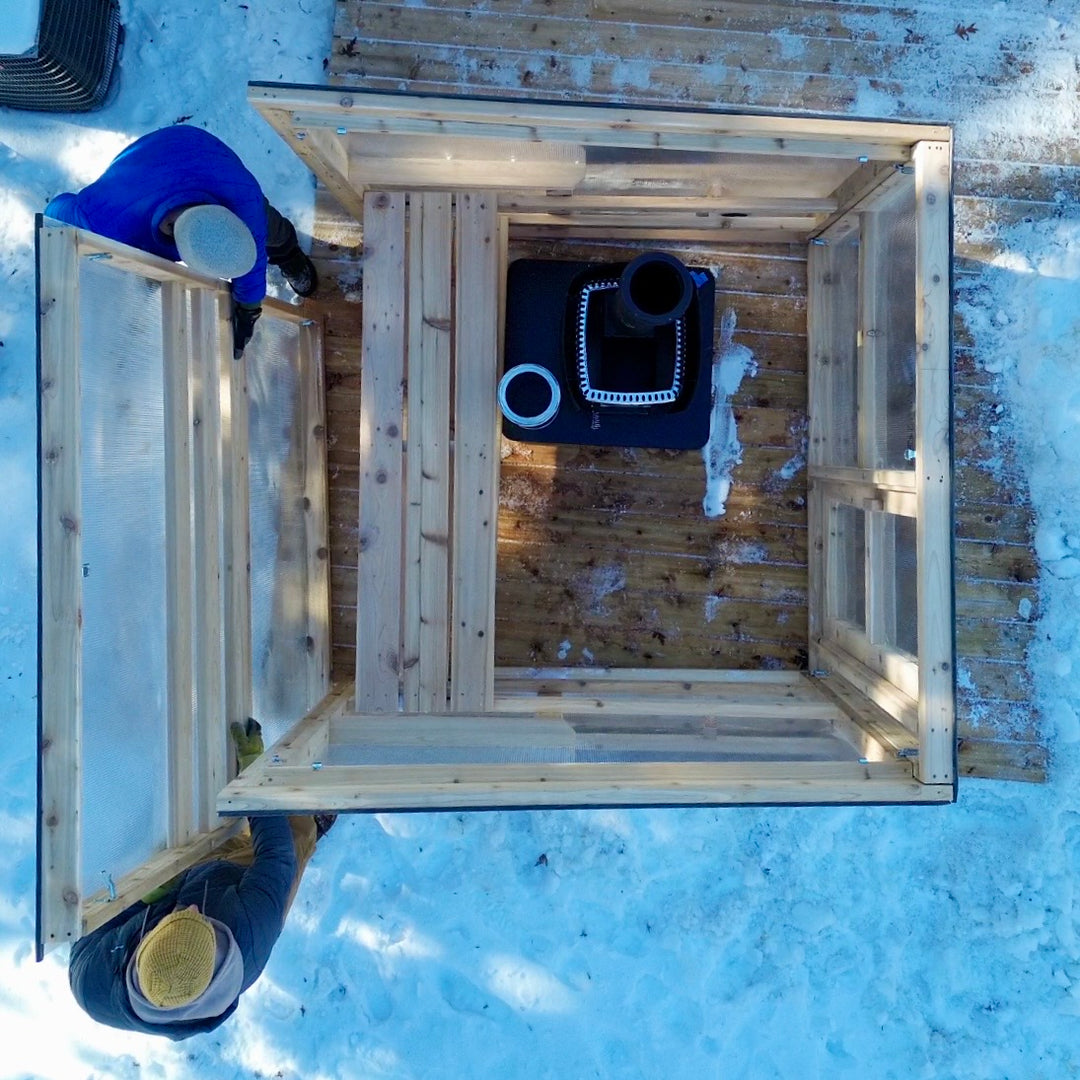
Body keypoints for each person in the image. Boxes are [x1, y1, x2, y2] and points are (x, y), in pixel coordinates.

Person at [68, 720, 336, 1039]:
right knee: (292, 837)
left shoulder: (91, 986)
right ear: (215, 951)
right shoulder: (251, 928)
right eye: (200, 924)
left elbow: (86, 932)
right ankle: (311, 825)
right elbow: (275, 855)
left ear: (143, 949)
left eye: (175, 921)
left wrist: (145, 899)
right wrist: (255, 777)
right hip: (237, 892)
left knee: (215, 838)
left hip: (189, 884)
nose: (192, 909)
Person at [44, 124, 319, 359]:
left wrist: (249, 306)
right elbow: (57, 212)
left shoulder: (242, 196)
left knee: (271, 228)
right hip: (147, 165)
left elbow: (254, 251)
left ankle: (289, 255)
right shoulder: (105, 220)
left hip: (198, 148)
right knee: (142, 273)